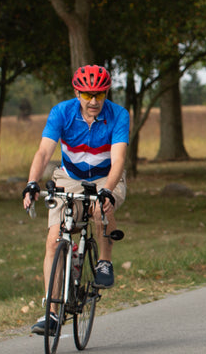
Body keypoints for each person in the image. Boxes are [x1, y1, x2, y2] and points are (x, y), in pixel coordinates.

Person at [21, 65, 129, 336]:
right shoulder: (62, 112)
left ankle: (104, 261)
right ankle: (51, 313)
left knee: (99, 207)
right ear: (77, 93)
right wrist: (32, 182)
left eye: (99, 95)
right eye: (87, 95)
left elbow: (118, 159)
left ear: (106, 93)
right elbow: (44, 152)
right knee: (54, 239)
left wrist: (108, 190)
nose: (93, 101)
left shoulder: (118, 115)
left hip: (107, 176)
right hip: (69, 177)